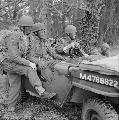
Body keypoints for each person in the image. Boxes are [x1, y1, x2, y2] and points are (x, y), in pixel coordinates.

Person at [0, 15, 55, 111]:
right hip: (8, 63)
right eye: (28, 27)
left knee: (15, 85)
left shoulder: (27, 37)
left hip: (14, 63)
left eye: (31, 27)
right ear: (22, 27)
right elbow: (14, 56)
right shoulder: (13, 36)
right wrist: (29, 63)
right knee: (29, 69)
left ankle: (11, 107)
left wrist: (32, 61)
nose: (30, 29)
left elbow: (27, 55)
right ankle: (41, 92)